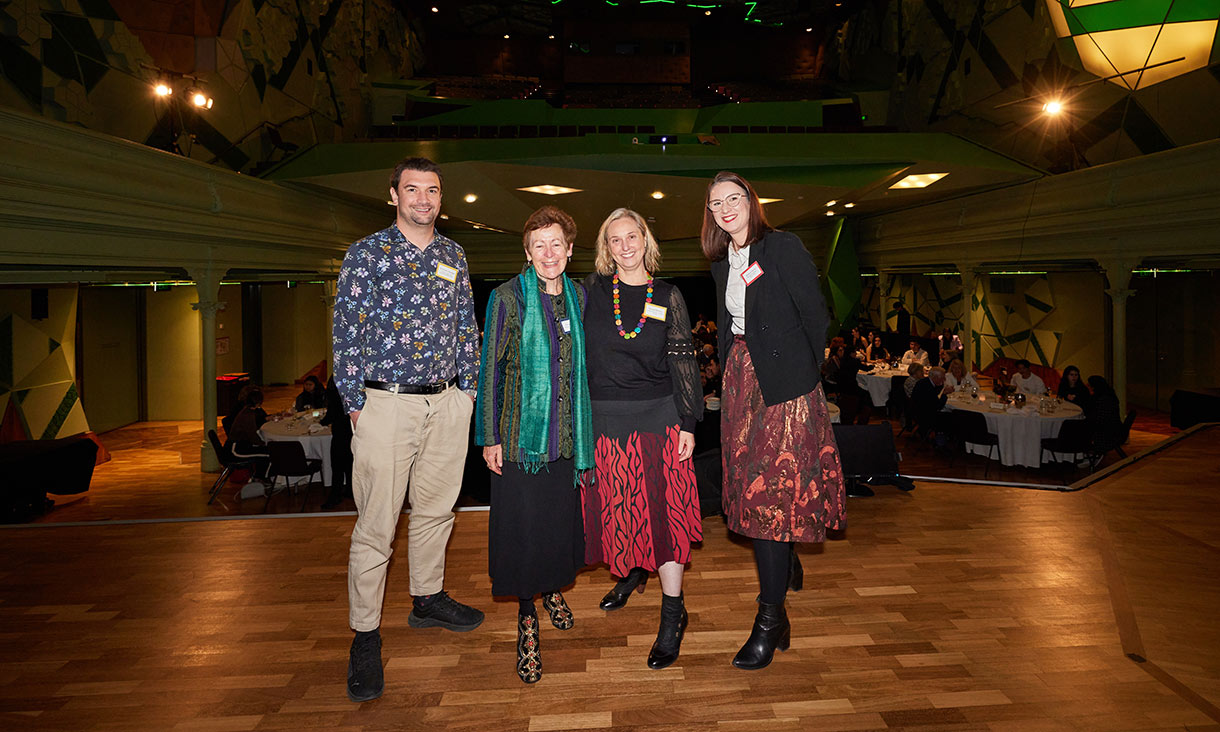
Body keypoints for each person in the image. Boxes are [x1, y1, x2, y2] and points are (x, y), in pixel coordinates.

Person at [332, 156, 483, 703]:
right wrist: (354, 404)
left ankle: (427, 598)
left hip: (446, 405)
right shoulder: (366, 254)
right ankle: (365, 635)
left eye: (433, 190)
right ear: (393, 194)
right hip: (385, 405)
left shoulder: (453, 255)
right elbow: (346, 331)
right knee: (377, 523)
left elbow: (467, 327)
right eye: (413, 189)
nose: (424, 199)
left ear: (442, 199)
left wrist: (468, 393)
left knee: (437, 511)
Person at [703, 171, 845, 670]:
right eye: (716, 202)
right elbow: (729, 327)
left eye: (734, 198)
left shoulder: (782, 247)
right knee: (753, 490)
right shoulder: (723, 262)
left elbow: (815, 314)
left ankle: (769, 617)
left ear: (751, 202)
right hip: (742, 384)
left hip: (786, 388)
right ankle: (783, 574)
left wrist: (803, 380)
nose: (725, 208)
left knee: (771, 496)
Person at [581, 207, 703, 671]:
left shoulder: (668, 295)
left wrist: (689, 424)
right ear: (605, 248)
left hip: (659, 419)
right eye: (615, 240)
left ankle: (673, 613)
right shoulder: (591, 293)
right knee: (622, 509)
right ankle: (633, 572)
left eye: (632, 236)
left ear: (645, 239)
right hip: (604, 424)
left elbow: (684, 363)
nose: (625, 246)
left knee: (666, 518)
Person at [476, 206, 593, 684]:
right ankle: (528, 616)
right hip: (520, 442)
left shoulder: (580, 297)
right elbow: (490, 370)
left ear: (569, 250)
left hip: (566, 438)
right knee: (523, 532)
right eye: (538, 245)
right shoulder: (507, 299)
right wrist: (489, 437)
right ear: (527, 252)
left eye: (556, 244)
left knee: (554, 526)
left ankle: (550, 589)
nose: (549, 253)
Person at [320, 376, 353, 509]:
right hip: (351, 434)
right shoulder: (352, 396)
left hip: (339, 435)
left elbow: (329, 417)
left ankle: (335, 495)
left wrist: (320, 423)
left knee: (337, 467)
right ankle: (350, 490)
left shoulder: (334, 398)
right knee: (350, 464)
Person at [228, 388, 271, 483]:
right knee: (268, 453)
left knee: (266, 450)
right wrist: (264, 443)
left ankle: (259, 477)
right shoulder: (248, 415)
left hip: (241, 445)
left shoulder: (247, 411)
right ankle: (259, 478)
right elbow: (253, 437)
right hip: (237, 449)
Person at [910, 366, 952, 438]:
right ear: (935, 377)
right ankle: (942, 441)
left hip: (919, 412)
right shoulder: (926, 386)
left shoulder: (925, 382)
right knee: (953, 417)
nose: (944, 379)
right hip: (924, 416)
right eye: (942, 377)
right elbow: (938, 406)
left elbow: (934, 395)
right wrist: (944, 394)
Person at [1087, 375, 1125, 453]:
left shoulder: (1102, 400)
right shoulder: (1110, 395)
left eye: (1090, 385)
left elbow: (1099, 420)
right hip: (1115, 429)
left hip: (1107, 433)